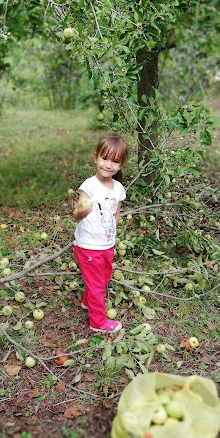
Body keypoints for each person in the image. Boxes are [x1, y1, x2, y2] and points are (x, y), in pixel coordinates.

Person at [73, 133, 127, 333]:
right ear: (96, 157)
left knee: (104, 277)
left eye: (115, 161)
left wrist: (112, 235)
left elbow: (116, 213)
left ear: (120, 165)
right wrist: (81, 210)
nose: (108, 165)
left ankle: (87, 301)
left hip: (106, 244)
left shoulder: (118, 188)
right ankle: (98, 321)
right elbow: (78, 213)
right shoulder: (89, 186)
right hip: (88, 245)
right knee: (97, 285)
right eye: (104, 158)